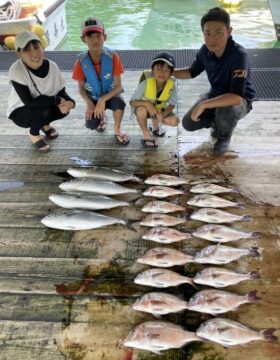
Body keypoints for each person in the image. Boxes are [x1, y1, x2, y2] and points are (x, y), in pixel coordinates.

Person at [175, 7, 255, 155]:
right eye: (208, 33)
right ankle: (217, 125)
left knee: (226, 110)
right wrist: (169, 73)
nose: (212, 38)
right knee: (189, 123)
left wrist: (204, 104)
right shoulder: (205, 51)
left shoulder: (239, 55)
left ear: (229, 31)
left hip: (239, 100)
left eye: (218, 33)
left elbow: (237, 97)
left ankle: (224, 136)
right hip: (215, 94)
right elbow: (192, 72)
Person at [7, 31, 75, 153]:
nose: (34, 53)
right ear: (19, 53)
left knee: (63, 110)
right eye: (27, 49)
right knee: (43, 110)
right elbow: (29, 102)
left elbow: (62, 92)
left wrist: (71, 103)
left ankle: (44, 125)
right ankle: (34, 134)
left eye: (36, 47)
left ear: (42, 47)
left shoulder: (53, 66)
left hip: (45, 105)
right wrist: (57, 100)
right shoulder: (16, 70)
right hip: (20, 111)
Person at [72, 17, 129, 145]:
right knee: (91, 124)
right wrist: (89, 103)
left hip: (110, 94)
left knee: (119, 102)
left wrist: (103, 100)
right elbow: (81, 88)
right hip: (93, 96)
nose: (95, 40)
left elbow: (119, 87)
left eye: (98, 35)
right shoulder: (80, 62)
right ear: (83, 39)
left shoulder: (113, 57)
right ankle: (101, 118)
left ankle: (117, 129)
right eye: (90, 36)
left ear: (105, 37)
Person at [130, 52, 179, 148]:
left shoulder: (171, 84)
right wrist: (148, 105)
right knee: (141, 110)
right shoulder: (145, 83)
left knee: (175, 121)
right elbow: (132, 102)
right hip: (145, 110)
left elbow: (172, 104)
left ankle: (156, 128)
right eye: (158, 69)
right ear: (152, 70)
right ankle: (146, 134)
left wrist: (163, 115)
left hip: (159, 110)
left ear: (171, 73)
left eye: (166, 70)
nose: (162, 73)